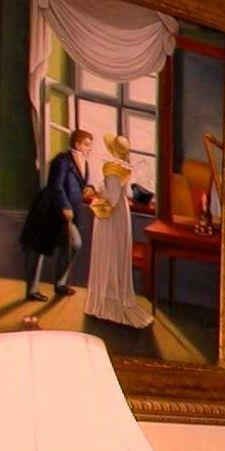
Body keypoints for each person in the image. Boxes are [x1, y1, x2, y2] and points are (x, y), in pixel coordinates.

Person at [82, 133, 151, 329]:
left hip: (111, 217)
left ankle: (107, 304)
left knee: (108, 254)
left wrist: (96, 192)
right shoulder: (122, 166)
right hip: (120, 213)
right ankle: (108, 300)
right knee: (113, 255)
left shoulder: (112, 168)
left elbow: (111, 199)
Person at [22, 129, 93, 301]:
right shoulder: (62, 160)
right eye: (86, 144)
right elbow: (56, 185)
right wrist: (65, 206)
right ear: (77, 144)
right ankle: (32, 290)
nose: (89, 148)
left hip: (67, 216)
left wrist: (88, 190)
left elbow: (79, 185)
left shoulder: (84, 163)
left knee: (74, 244)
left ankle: (60, 284)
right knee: (36, 247)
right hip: (48, 211)